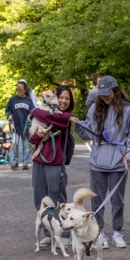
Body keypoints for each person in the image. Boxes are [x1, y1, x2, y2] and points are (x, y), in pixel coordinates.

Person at [70, 75, 130, 249]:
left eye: (107, 94)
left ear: (115, 91)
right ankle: (99, 231)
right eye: (101, 94)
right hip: (98, 161)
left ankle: (117, 231)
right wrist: (79, 125)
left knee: (117, 200)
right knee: (97, 200)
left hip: (118, 161)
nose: (104, 97)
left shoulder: (128, 110)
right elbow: (89, 132)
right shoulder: (95, 108)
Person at [29, 85, 75, 219]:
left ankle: (62, 233)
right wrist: (37, 136)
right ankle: (47, 232)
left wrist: (34, 111)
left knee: (57, 197)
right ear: (56, 98)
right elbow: (30, 138)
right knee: (40, 197)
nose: (64, 101)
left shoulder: (66, 117)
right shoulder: (45, 112)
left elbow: (52, 119)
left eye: (67, 98)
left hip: (55, 163)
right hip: (39, 161)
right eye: (61, 97)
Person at [5, 79, 35, 170]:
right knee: (15, 144)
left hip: (26, 127)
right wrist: (9, 115)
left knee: (26, 146)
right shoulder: (12, 99)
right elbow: (7, 109)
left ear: (25, 90)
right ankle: (14, 162)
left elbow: (33, 111)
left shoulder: (28, 100)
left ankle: (25, 163)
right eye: (17, 89)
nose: (18, 91)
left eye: (20, 89)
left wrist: (31, 117)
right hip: (15, 126)